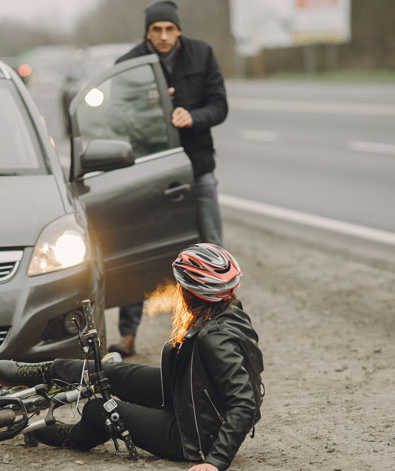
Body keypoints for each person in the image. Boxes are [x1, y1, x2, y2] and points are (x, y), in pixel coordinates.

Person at [0, 243, 263, 471]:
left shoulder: (217, 338)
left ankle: (68, 435)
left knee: (100, 409)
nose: (178, 291)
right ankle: (37, 372)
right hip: (187, 396)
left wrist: (215, 462)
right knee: (107, 371)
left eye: (181, 286)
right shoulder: (224, 310)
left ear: (195, 293)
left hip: (190, 435)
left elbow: (244, 401)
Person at [109, 0, 229, 357]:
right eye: (156, 29)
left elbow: (220, 105)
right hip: (146, 171)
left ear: (179, 30)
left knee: (211, 247)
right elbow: (117, 120)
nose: (163, 36)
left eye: (169, 29)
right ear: (146, 32)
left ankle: (221, 325)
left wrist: (192, 116)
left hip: (196, 168)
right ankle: (128, 335)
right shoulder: (127, 65)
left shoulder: (202, 54)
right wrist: (152, 109)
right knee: (136, 250)